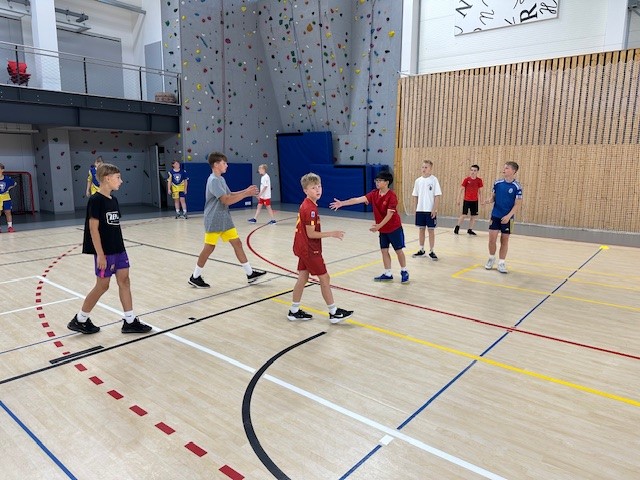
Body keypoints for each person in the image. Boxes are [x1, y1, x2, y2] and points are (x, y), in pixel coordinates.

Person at [68, 163, 152, 334]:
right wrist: (100, 254)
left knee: (125, 280)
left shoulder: (113, 200)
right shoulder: (95, 200)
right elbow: (93, 229)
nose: (121, 181)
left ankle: (130, 321)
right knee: (102, 286)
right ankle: (80, 319)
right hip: (105, 252)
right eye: (118, 177)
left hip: (119, 249)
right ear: (107, 178)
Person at [188, 152, 267, 288]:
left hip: (224, 218)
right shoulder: (213, 180)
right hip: (214, 218)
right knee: (209, 248)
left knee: (237, 243)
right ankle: (195, 277)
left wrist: (246, 191)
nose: (227, 165)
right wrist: (246, 194)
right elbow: (226, 200)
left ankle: (250, 274)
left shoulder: (221, 179)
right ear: (216, 165)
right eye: (224, 163)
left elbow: (230, 194)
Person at [288, 173, 354, 322]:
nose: (318, 190)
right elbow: (311, 234)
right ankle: (333, 312)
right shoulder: (310, 209)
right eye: (313, 188)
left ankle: (293, 311)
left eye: (319, 186)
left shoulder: (308, 204)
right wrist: (332, 233)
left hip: (302, 247)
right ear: (305, 190)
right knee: (325, 278)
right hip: (309, 249)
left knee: (303, 277)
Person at [330, 170, 409, 284]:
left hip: (394, 228)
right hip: (382, 229)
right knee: (384, 250)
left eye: (380, 180)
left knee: (398, 250)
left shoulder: (392, 196)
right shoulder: (374, 194)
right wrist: (342, 203)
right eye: (376, 180)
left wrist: (378, 226)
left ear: (387, 182)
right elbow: (357, 199)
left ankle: (404, 271)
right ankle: (388, 273)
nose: (377, 182)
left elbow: (389, 215)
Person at [484, 161, 523, 274]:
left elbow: (517, 204)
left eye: (506, 168)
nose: (504, 170)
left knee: (504, 241)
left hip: (508, 218)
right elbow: (493, 197)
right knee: (492, 239)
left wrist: (508, 216)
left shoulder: (517, 187)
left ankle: (501, 263)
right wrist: (488, 200)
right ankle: (491, 258)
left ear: (513, 171)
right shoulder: (497, 183)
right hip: (495, 215)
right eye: (504, 168)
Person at [411, 160, 442, 260]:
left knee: (431, 230)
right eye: (423, 167)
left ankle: (431, 251)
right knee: (421, 229)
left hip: (430, 210)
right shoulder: (418, 181)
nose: (424, 169)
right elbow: (415, 196)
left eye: (426, 167)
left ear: (430, 169)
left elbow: (437, 196)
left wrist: (434, 209)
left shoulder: (434, 180)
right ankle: (421, 249)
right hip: (420, 210)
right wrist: (416, 209)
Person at [454, 164, 483, 235]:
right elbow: (461, 190)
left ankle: (470, 230)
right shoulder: (466, 180)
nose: (473, 172)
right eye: (472, 170)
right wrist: (458, 199)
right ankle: (457, 227)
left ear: (477, 171)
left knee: (473, 216)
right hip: (467, 200)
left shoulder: (479, 180)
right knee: (464, 215)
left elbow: (480, 191)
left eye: (475, 170)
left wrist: (481, 200)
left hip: (475, 201)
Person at [0, 163, 16, 233]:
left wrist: (8, 188)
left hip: (6, 197)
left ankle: (10, 226)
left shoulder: (7, 179)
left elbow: (15, 183)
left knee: (8, 212)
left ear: (2, 170)